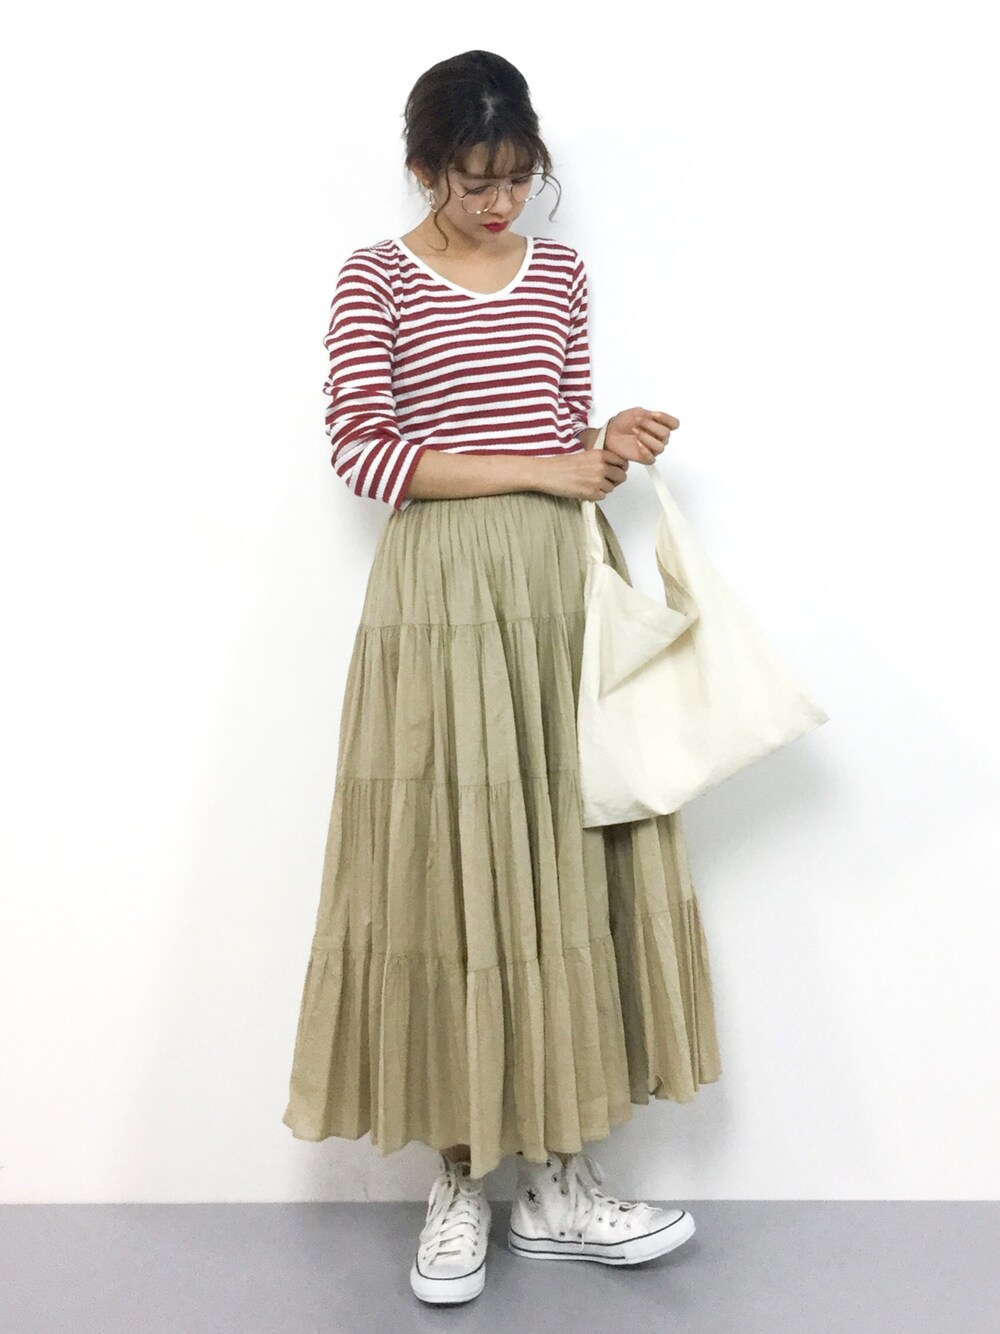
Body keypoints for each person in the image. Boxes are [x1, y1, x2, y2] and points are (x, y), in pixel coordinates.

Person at [282, 49, 722, 1306]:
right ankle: (461, 1177)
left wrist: (601, 444)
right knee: (454, 871)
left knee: (566, 862)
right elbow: (364, 453)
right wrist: (537, 465)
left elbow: (558, 432)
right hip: (441, 598)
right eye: (474, 181)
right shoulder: (374, 277)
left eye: (518, 178)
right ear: (422, 168)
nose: (498, 203)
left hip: (555, 584)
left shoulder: (560, 274)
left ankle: (561, 1180)